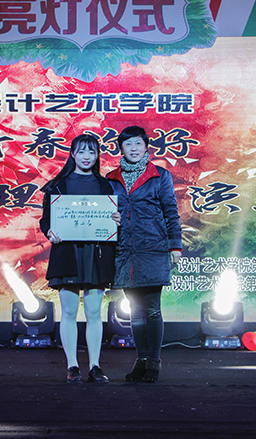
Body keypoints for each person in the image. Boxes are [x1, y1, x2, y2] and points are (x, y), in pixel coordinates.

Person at [39, 134, 117, 384]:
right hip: (68, 254)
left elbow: (114, 216)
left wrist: (115, 220)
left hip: (96, 254)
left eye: (92, 152)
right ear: (72, 154)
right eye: (81, 151)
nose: (86, 156)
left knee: (94, 312)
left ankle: (95, 366)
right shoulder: (57, 186)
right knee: (69, 311)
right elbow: (46, 220)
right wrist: (50, 231)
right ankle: (72, 366)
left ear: (97, 155)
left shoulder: (106, 186)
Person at [107, 125, 182, 383]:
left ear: (146, 146)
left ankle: (154, 362)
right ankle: (140, 359)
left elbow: (171, 211)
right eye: (128, 144)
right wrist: (110, 218)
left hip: (152, 248)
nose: (134, 148)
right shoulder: (110, 178)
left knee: (152, 310)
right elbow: (103, 213)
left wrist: (175, 246)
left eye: (138, 143)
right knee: (134, 312)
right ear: (121, 148)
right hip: (124, 252)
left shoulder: (160, 175)